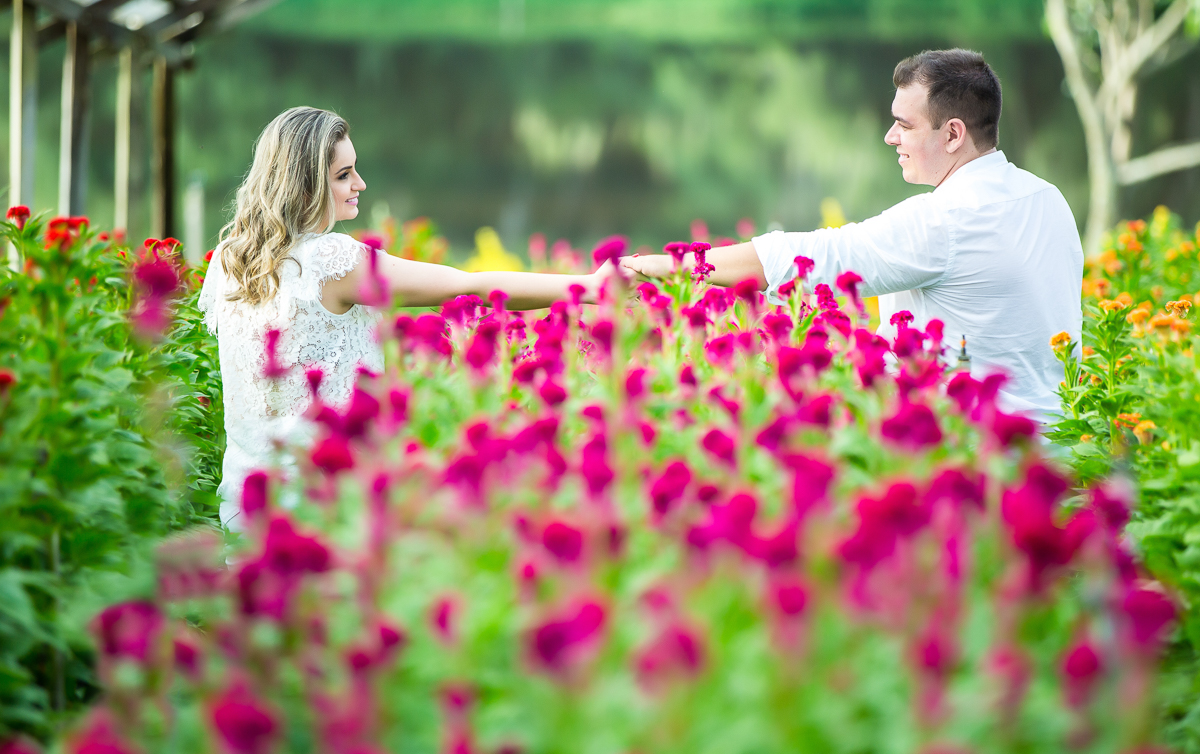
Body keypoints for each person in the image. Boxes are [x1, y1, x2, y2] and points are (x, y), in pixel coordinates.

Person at [199, 106, 624, 530]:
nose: (359, 184)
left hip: (247, 503)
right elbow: (469, 285)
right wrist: (589, 287)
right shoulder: (331, 259)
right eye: (343, 175)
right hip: (324, 505)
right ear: (305, 183)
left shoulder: (228, 260)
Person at [623, 48, 1083, 421]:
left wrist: (661, 267)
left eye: (904, 125)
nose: (889, 137)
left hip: (982, 455)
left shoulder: (946, 220)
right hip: (1064, 440)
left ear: (953, 134)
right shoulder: (1048, 199)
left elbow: (813, 256)